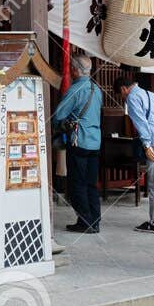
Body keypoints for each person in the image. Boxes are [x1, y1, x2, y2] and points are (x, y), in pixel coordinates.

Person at [52, 53, 103, 234]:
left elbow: (58, 115)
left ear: (74, 70)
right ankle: (94, 221)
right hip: (95, 142)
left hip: (78, 141)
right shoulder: (97, 89)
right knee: (91, 183)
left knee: (77, 184)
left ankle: (85, 222)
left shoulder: (75, 90)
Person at [118, 72, 154, 233]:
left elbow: (141, 123)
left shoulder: (133, 98)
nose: (122, 97)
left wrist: (146, 145)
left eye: (121, 94)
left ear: (124, 89)